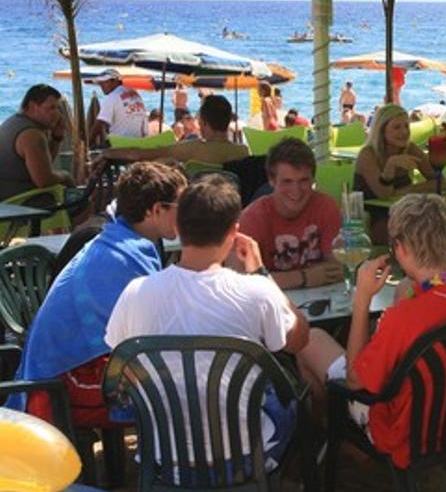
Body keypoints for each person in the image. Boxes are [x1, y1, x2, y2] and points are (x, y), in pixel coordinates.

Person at [104, 175, 320, 471]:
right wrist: (260, 273)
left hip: (163, 455)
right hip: (244, 454)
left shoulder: (135, 292)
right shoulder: (256, 291)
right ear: (234, 232)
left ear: (178, 227)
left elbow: (119, 364)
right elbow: (299, 339)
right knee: (289, 398)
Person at [319, 194, 446, 480]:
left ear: (400, 249)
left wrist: (361, 300)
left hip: (410, 434)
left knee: (314, 343)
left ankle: (331, 453)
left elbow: (354, 380)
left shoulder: (402, 320)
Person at [11, 162, 187, 424]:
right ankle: (161, 461)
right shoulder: (127, 255)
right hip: (60, 385)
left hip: (56, 372)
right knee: (173, 388)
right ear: (156, 210)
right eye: (180, 207)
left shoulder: (117, 239)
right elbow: (157, 330)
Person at [239, 138, 344, 289]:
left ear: (313, 180)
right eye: (287, 181)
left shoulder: (326, 207)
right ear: (271, 181)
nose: (296, 190)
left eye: (303, 181)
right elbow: (241, 280)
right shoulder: (252, 218)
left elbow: (336, 269)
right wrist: (303, 277)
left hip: (320, 301)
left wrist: (273, 279)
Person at [353, 105, 437, 243]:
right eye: (397, 127)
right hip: (373, 214)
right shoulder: (368, 154)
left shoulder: (410, 149)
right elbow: (384, 194)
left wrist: (406, 190)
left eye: (406, 126)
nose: (404, 132)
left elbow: (439, 182)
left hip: (404, 210)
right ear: (382, 130)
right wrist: (391, 165)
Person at [100, 95, 250, 166]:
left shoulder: (193, 148)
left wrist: (107, 153)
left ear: (204, 123)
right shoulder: (243, 152)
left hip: (194, 212)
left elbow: (139, 154)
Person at [0, 84, 75, 204]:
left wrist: (56, 138)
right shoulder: (31, 135)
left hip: (10, 195)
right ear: (32, 106)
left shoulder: (14, 121)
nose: (57, 114)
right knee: (83, 206)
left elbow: (44, 164)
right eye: (51, 108)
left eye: (58, 108)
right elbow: (43, 180)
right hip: (15, 201)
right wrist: (65, 176)